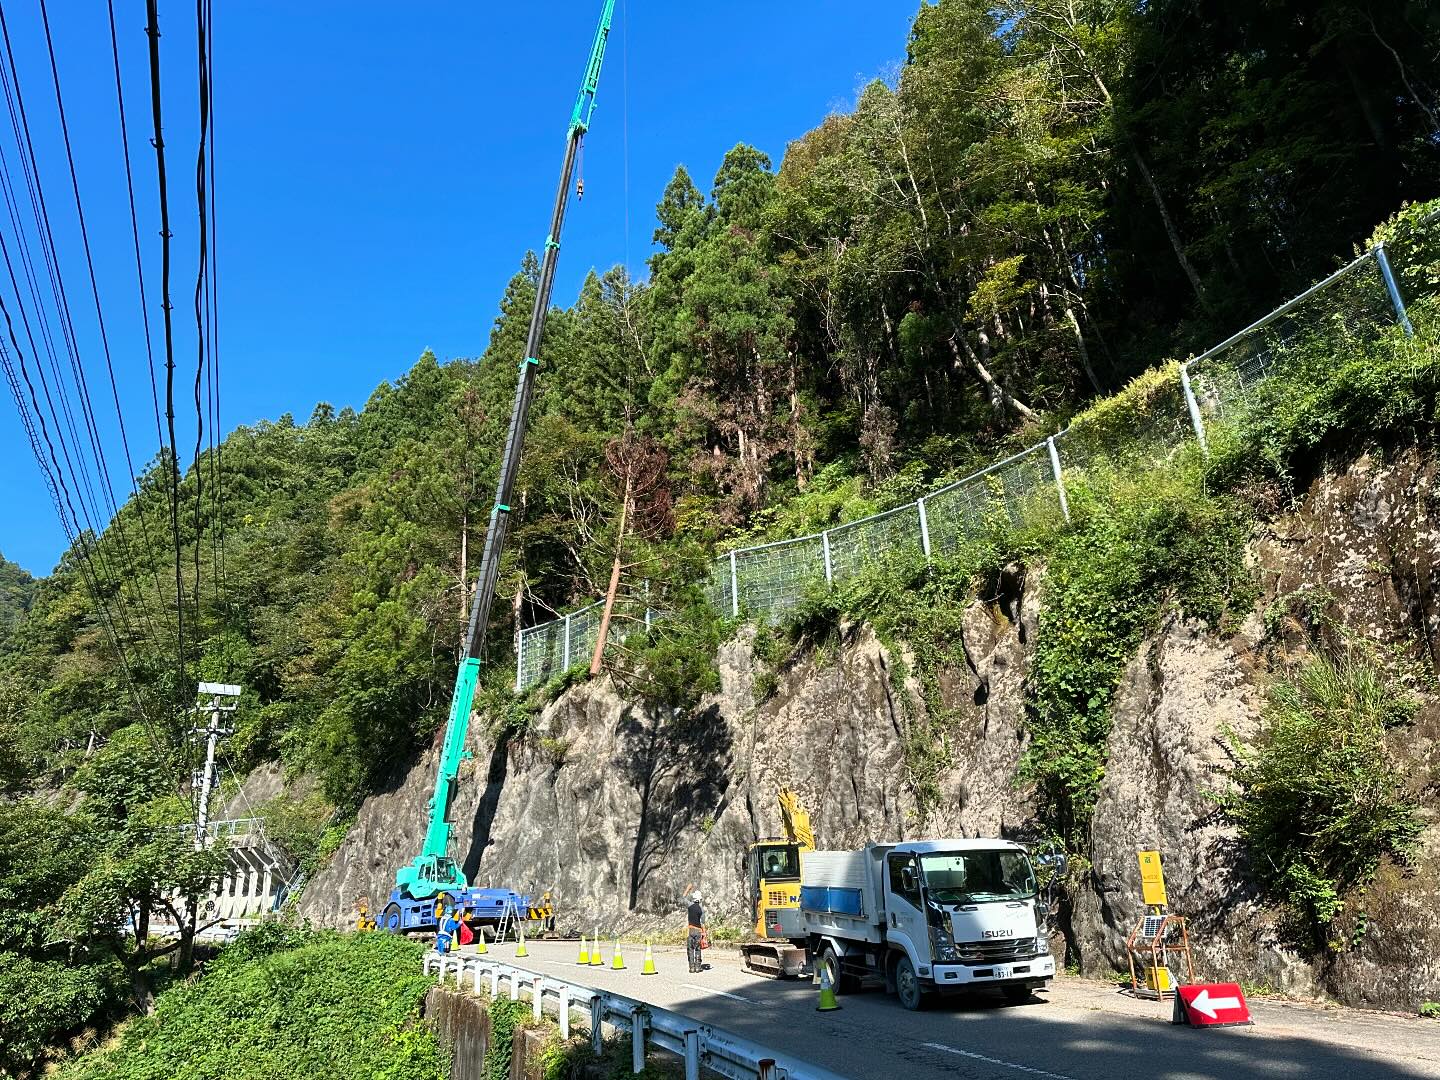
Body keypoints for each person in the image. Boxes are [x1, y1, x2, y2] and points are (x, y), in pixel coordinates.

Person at [686, 890, 706, 973]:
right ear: (700, 899)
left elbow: (683, 898)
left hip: (691, 930)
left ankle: (691, 968)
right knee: (698, 949)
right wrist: (704, 933)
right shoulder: (701, 909)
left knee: (691, 949)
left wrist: (687, 889)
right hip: (698, 931)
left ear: (693, 898)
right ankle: (698, 967)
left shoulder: (690, 906)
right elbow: (703, 922)